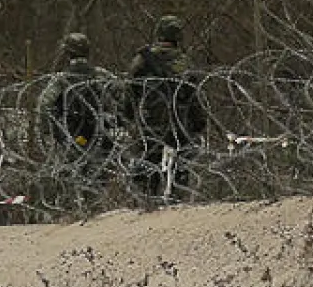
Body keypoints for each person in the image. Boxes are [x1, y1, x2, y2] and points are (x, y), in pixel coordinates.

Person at [127, 15, 208, 189]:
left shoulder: (141, 60)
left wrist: (126, 118)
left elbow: (130, 94)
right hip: (179, 125)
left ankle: (148, 205)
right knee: (180, 172)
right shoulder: (184, 62)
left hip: (149, 125)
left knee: (147, 172)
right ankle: (177, 202)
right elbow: (192, 95)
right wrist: (198, 123)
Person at [31, 32, 122, 161]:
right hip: (100, 131)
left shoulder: (61, 79)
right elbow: (122, 92)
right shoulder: (101, 74)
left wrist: (46, 130)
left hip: (71, 133)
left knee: (72, 170)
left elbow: (44, 104)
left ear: (67, 54)